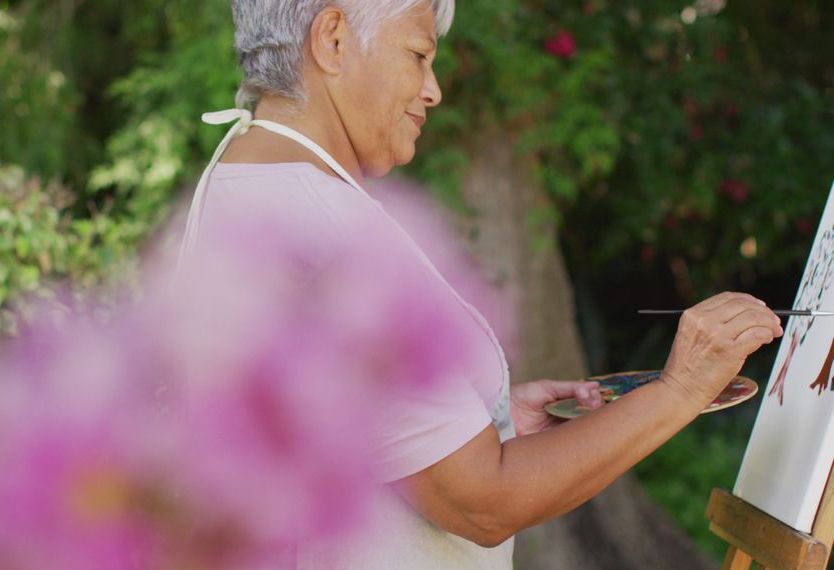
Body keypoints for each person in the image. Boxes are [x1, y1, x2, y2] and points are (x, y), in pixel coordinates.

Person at [179, 0, 784, 567]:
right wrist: (680, 389)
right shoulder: (327, 228)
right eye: (419, 54)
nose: (433, 89)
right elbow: (482, 504)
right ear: (333, 40)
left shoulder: (247, 179)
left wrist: (484, 420)